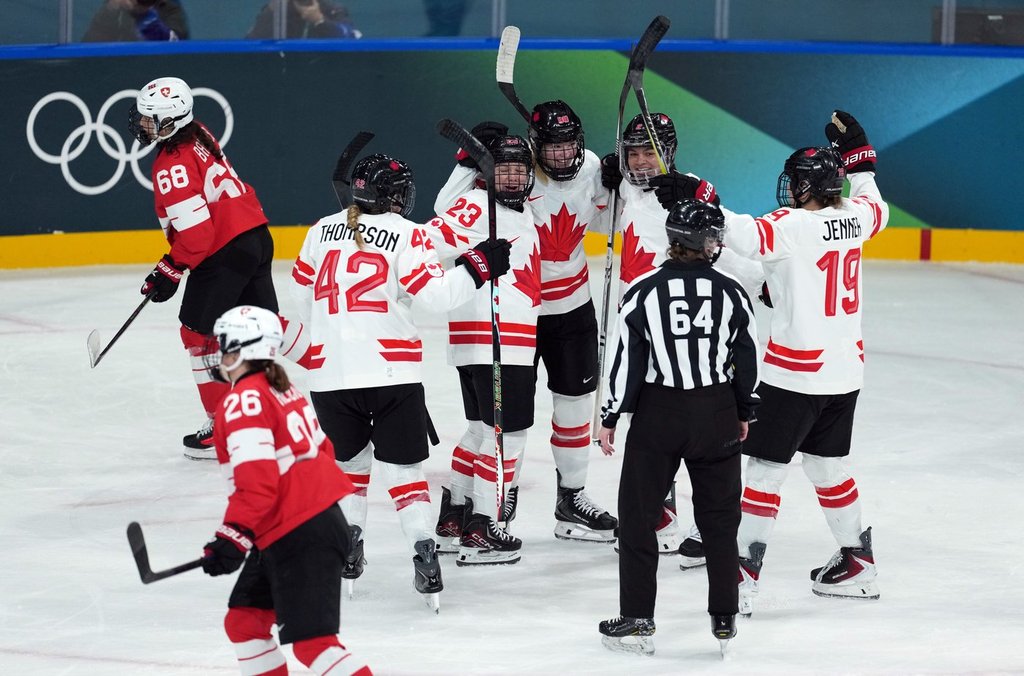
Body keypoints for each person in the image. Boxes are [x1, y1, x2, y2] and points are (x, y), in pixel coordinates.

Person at [653, 111, 889, 614]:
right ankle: (857, 561)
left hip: (795, 374)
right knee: (828, 467)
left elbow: (740, 233)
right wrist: (861, 154)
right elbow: (874, 201)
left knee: (763, 472)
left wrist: (696, 199)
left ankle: (741, 575)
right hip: (845, 372)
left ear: (805, 187)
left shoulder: (793, 226)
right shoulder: (857, 216)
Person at [289, 150, 511, 607]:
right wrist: (480, 265)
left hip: (331, 377)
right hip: (393, 373)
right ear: (394, 196)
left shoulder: (317, 232)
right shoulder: (409, 235)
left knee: (351, 470)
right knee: (406, 474)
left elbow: (302, 300)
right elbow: (436, 298)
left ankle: (350, 544)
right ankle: (423, 550)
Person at [433, 106, 618, 544]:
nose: (562, 154)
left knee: (574, 408)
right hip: (518, 313)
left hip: (572, 308)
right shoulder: (511, 169)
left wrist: (619, 185)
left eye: (569, 144)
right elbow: (448, 210)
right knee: (498, 421)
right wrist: (469, 158)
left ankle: (571, 500)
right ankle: (493, 499)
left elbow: (609, 222)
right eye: (552, 146)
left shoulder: (591, 165)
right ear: (535, 145)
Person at [596, 199, 759, 656]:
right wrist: (745, 411)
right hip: (717, 414)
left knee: (638, 519)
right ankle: (724, 616)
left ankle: (637, 618)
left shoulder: (644, 290)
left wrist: (611, 414)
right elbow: (746, 358)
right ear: (696, 242)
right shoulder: (732, 291)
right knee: (720, 521)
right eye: (710, 237)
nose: (716, 244)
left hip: (659, 417)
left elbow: (626, 359)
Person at [600, 111, 763, 553]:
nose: (640, 163)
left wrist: (758, 281)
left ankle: (705, 524)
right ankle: (662, 514)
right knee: (652, 426)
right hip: (645, 324)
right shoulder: (627, 189)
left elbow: (717, 249)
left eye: (649, 153)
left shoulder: (686, 191)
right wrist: (604, 174)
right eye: (632, 154)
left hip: (687, 328)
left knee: (694, 428)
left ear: (668, 153)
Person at [199, 305, 371, 676]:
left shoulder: (244, 400)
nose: (217, 353)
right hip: (303, 527)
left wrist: (232, 536)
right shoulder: (281, 389)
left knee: (314, 647)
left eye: (225, 345)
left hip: (300, 532)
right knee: (245, 623)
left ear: (243, 351)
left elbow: (257, 484)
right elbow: (323, 453)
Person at [129, 76, 277, 459]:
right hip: (255, 237)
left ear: (170, 120)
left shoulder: (169, 164)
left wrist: (169, 269)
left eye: (150, 120)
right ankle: (321, 365)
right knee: (263, 329)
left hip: (223, 250)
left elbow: (196, 235)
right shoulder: (198, 132)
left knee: (196, 333)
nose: (142, 125)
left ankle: (223, 431)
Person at [428, 134, 541, 566]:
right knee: (507, 436)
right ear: (484, 175)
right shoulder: (477, 206)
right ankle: (483, 528)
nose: (511, 177)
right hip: (497, 340)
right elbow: (432, 234)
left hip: (486, 340)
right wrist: (465, 164)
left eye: (519, 169)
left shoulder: (521, 208)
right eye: (501, 169)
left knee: (479, 430)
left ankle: (454, 517)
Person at [247, 0, 361, 39]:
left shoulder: (331, 10)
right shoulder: (279, 11)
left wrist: (319, 20)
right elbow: (252, 41)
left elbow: (350, 36)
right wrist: (271, 13)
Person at [83, 0, 188, 42]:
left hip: (157, 69)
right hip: (118, 69)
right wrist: (111, 10)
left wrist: (147, 17)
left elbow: (177, 45)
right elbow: (90, 45)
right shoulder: (114, 9)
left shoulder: (167, 8)